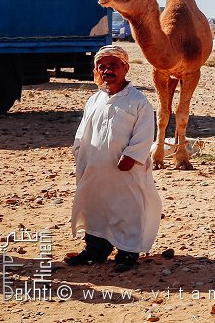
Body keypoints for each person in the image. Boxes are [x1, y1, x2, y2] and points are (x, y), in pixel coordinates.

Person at [65, 45, 162, 273]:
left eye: (113, 66)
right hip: (95, 170)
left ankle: (128, 252)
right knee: (95, 207)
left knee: (126, 208)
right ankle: (96, 250)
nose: (108, 70)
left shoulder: (138, 101)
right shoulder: (94, 100)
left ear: (125, 68)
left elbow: (146, 133)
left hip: (125, 171)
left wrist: (132, 155)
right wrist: (80, 153)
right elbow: (82, 132)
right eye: (103, 66)